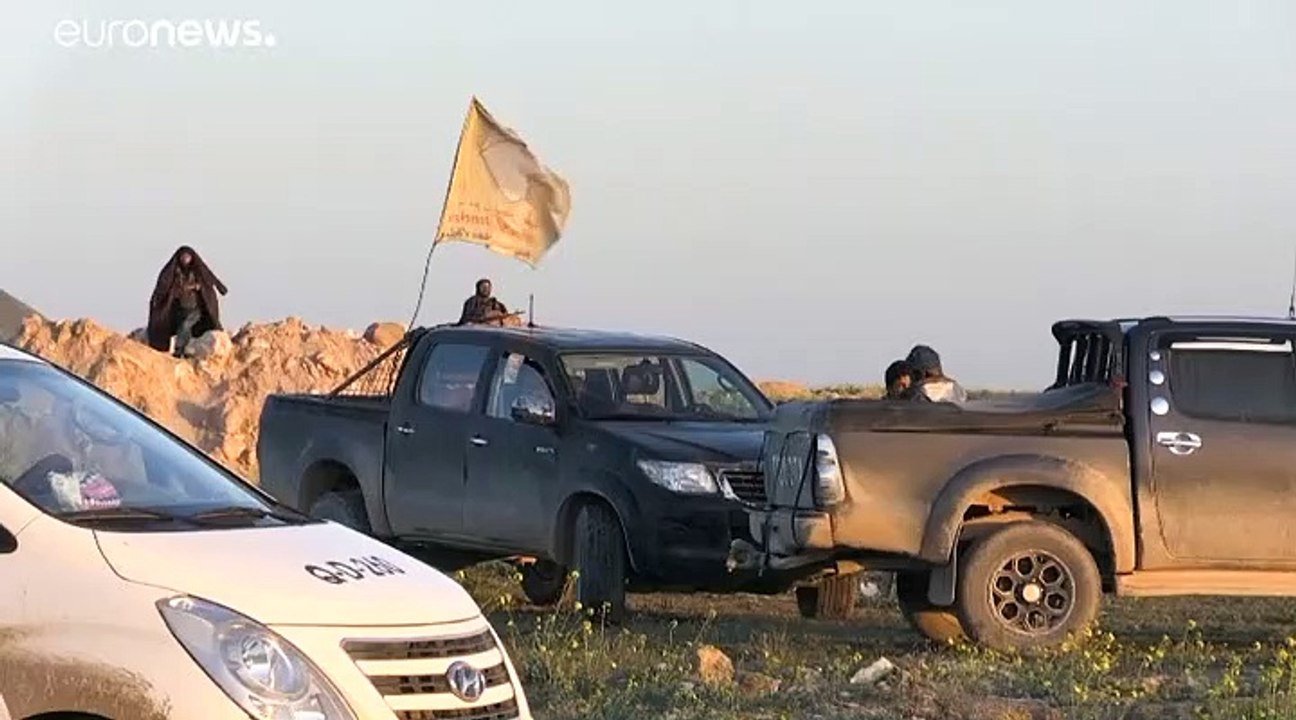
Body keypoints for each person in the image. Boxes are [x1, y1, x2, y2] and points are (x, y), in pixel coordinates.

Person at [146, 246, 227, 358]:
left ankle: (179, 350)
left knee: (185, 326)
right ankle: (185, 350)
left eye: (187, 257)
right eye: (183, 257)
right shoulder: (174, 271)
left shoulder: (197, 271)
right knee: (182, 328)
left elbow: (209, 277)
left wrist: (219, 288)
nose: (185, 259)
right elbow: (163, 284)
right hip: (179, 308)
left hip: (195, 308)